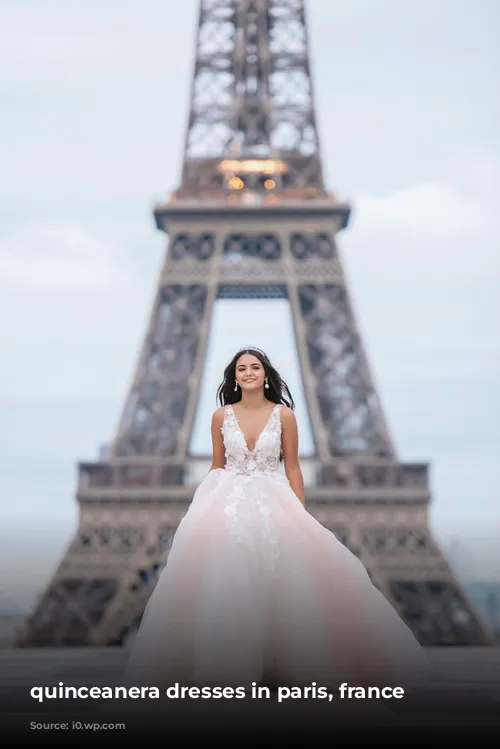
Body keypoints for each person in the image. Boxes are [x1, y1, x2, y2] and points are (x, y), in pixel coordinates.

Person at [123, 347, 430, 690]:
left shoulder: (284, 416)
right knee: (226, 579)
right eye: (242, 368)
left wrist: (297, 510)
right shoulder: (220, 417)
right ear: (234, 377)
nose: (249, 372)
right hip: (228, 499)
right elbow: (217, 464)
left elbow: (293, 467)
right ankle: (227, 668)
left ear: (266, 374)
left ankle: (278, 664)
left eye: (255, 367)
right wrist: (202, 504)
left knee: (281, 580)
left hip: (273, 497)